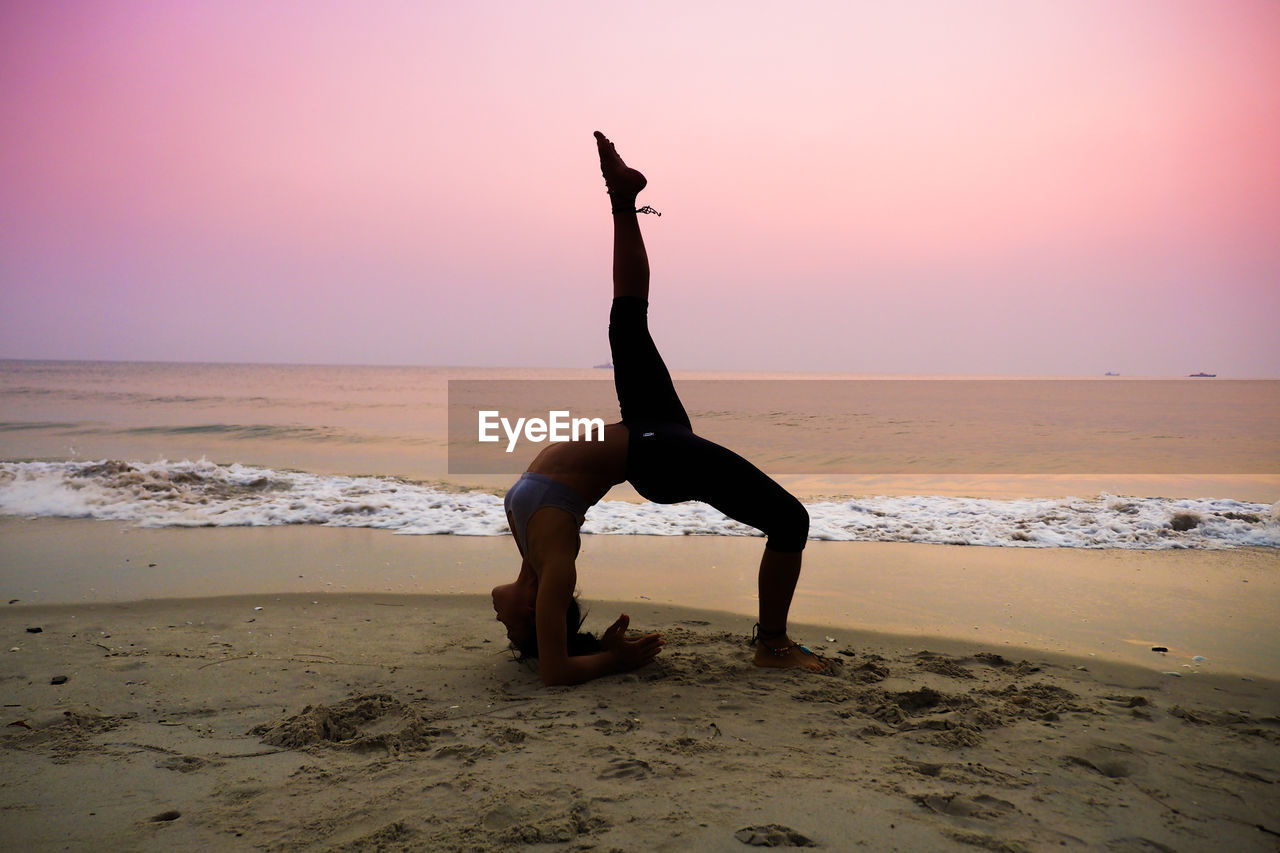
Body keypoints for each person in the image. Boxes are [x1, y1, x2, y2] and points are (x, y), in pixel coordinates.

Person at [491, 131, 826, 685]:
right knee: (790, 520)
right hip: (654, 456)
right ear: (536, 615)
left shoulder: (531, 552)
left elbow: (550, 651)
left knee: (627, 318)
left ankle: (622, 199)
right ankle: (772, 644)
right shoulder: (553, 573)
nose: (498, 622)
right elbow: (554, 673)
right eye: (512, 633)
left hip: (648, 429)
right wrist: (613, 660)